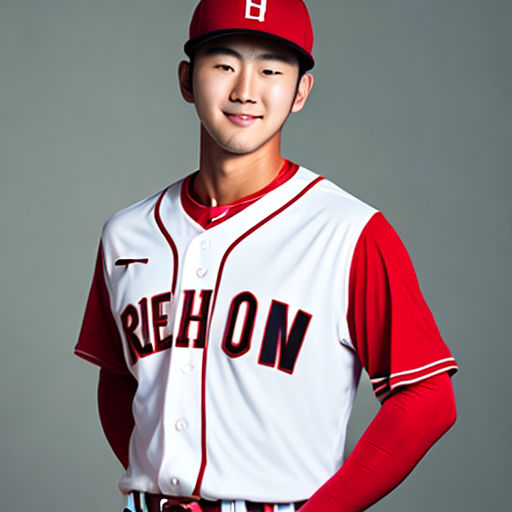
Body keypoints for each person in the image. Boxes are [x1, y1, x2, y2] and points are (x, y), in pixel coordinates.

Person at [75, 1, 459, 511]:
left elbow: (428, 401)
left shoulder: (349, 231)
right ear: (187, 80)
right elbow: (120, 379)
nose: (245, 90)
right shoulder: (127, 233)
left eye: (271, 69)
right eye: (224, 64)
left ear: (301, 90)